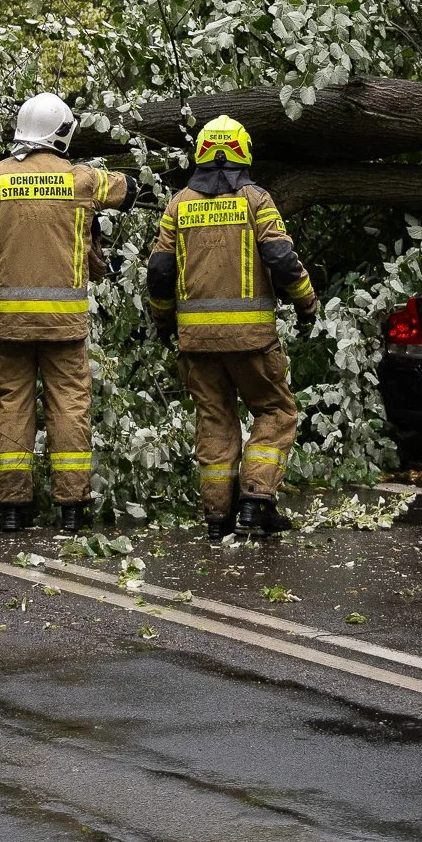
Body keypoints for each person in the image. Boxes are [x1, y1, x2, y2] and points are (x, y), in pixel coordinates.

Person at [0, 93, 134, 534]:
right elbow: (127, 190)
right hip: (64, 325)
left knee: (11, 405)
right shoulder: (82, 179)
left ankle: (13, 508)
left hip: (6, 326)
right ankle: (72, 508)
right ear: (62, 133)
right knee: (69, 406)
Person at [145, 116, 319, 539]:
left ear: (201, 151)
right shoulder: (256, 201)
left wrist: (163, 318)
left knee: (215, 421)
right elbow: (281, 259)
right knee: (276, 413)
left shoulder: (179, 204)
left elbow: (159, 270)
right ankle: (257, 500)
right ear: (244, 151)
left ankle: (218, 517)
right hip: (252, 341)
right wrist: (306, 303)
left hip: (197, 343)